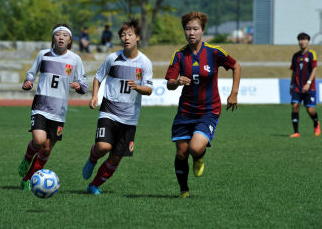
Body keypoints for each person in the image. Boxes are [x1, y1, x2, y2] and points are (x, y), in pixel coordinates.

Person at [165, 11, 241, 198]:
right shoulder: (179, 55)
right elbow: (169, 84)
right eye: (188, 29)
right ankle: (184, 190)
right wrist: (177, 81)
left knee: (195, 148)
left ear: (202, 30)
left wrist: (234, 93)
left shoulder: (214, 52)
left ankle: (199, 158)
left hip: (208, 110)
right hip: (185, 111)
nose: (191, 32)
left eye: (195, 29)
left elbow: (236, 66)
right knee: (182, 153)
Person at [82, 19, 153, 195]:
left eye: (129, 34)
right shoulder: (112, 58)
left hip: (129, 118)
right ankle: (92, 157)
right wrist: (95, 96)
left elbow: (149, 89)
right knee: (103, 147)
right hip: (109, 111)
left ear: (137, 37)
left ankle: (94, 185)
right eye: (123, 35)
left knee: (116, 157)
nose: (126, 38)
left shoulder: (145, 62)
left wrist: (138, 87)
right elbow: (98, 77)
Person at [18, 23, 88, 190]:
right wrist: (28, 81)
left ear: (70, 40)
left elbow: (84, 83)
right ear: (53, 38)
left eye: (65, 35)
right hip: (41, 104)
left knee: (47, 149)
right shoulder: (43, 55)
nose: (61, 37)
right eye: (58, 34)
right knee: (39, 140)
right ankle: (27, 158)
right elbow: (31, 73)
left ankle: (28, 179)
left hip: (59, 110)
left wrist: (79, 86)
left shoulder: (75, 59)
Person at [289, 32, 320, 138]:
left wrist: (308, 83)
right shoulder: (295, 56)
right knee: (295, 106)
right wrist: (291, 85)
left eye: (304, 39)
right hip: (297, 87)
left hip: (309, 87)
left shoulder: (312, 54)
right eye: (300, 40)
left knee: (310, 110)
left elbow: (315, 69)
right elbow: (293, 71)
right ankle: (296, 132)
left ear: (308, 41)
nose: (302, 42)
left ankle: (316, 123)